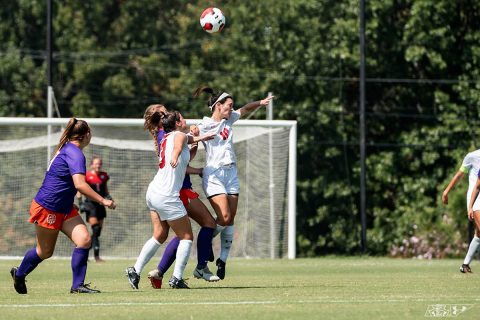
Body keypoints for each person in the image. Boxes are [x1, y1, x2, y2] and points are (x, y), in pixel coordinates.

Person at [10, 118, 115, 295]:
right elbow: (80, 185)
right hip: (48, 207)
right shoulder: (75, 153)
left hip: (65, 208)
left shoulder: (67, 147)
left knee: (84, 240)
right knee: (45, 252)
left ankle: (77, 286)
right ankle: (19, 274)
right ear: (85, 135)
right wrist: (103, 200)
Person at [126, 109, 214, 289]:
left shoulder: (166, 137)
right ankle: (176, 278)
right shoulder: (177, 136)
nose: (185, 119)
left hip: (153, 192)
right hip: (167, 195)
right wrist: (175, 155)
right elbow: (178, 149)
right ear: (176, 123)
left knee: (159, 235)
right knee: (187, 237)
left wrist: (202, 138)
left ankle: (135, 269)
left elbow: (187, 148)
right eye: (182, 117)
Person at [193, 86, 274, 280]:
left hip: (231, 173)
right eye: (229, 105)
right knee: (225, 215)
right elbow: (190, 138)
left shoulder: (230, 119)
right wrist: (194, 136)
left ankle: (222, 259)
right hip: (214, 175)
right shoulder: (202, 125)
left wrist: (260, 103)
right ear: (218, 106)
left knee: (230, 219)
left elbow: (245, 109)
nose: (232, 108)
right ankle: (205, 245)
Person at [442, 149, 480, 273]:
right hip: (475, 199)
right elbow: (459, 174)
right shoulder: (472, 156)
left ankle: (465, 265)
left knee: (478, 234)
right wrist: (446, 191)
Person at [77, 156, 113, 262]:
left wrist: (110, 199)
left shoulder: (104, 176)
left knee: (97, 233)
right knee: (95, 228)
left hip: (100, 205)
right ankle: (96, 257)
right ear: (92, 165)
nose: (98, 165)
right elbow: (79, 189)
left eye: (99, 164)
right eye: (96, 164)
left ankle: (85, 252)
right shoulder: (87, 176)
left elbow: (105, 190)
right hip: (90, 205)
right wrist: (80, 203)